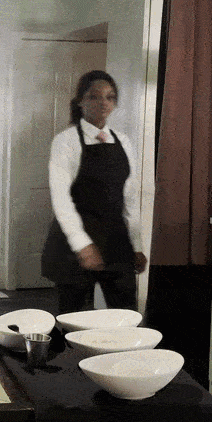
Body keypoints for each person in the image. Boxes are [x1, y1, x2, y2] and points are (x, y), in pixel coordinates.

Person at [41, 70, 147, 313]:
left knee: (125, 315)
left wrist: (136, 244)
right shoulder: (65, 141)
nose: (103, 103)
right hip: (74, 243)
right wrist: (83, 246)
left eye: (110, 97)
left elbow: (129, 197)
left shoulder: (123, 141)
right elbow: (61, 199)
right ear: (81, 102)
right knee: (73, 319)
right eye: (94, 97)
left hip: (116, 241)